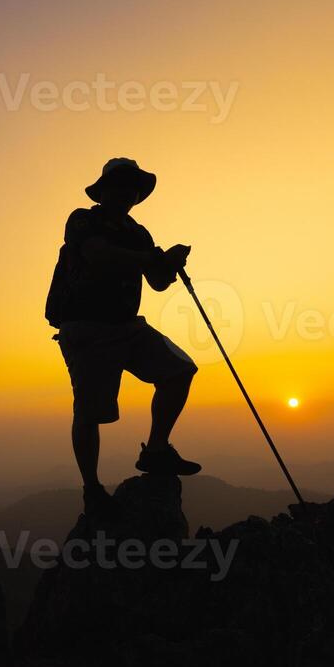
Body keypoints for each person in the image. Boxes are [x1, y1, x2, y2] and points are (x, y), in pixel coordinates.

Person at [45, 158, 202, 516]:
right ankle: (92, 489)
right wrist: (152, 259)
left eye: (133, 187)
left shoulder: (139, 233)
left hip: (127, 326)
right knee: (90, 411)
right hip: (85, 328)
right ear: (105, 190)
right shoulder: (83, 220)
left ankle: (156, 450)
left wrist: (170, 266)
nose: (128, 192)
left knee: (179, 371)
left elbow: (158, 283)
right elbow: (97, 255)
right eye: (121, 184)